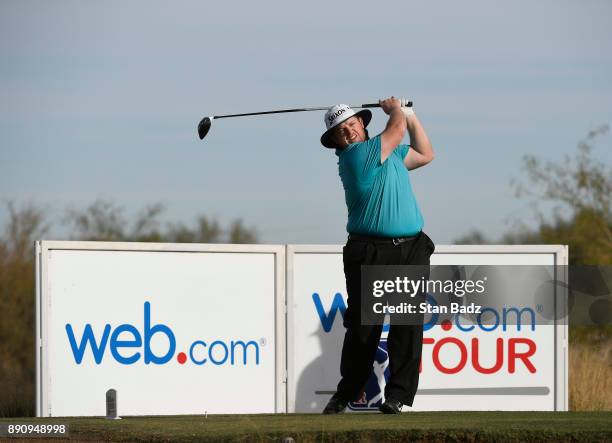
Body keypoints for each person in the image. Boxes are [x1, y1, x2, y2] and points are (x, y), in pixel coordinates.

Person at [320, 97, 436, 414]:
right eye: (340, 131)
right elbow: (396, 130)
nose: (348, 132)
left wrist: (411, 115)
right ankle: (347, 393)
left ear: (362, 123)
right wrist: (397, 109)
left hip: (411, 248)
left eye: (352, 124)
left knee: (407, 324)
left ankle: (397, 397)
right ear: (336, 142)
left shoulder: (389, 152)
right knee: (364, 326)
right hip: (369, 250)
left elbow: (426, 154)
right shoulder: (356, 156)